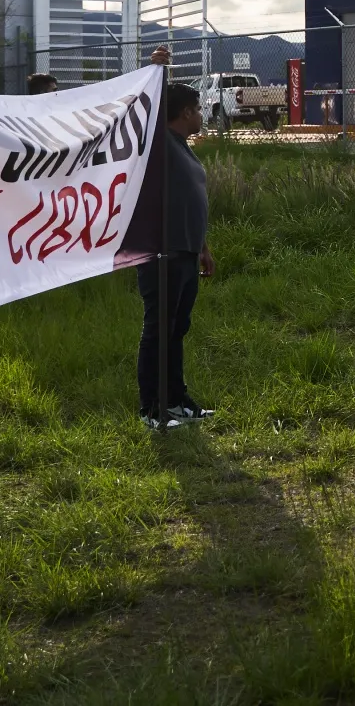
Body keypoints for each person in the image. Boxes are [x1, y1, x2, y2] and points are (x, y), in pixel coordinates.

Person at [123, 48, 215, 430]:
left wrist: (204, 249)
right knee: (159, 329)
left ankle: (176, 401)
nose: (201, 115)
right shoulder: (157, 143)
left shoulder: (182, 149)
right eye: (196, 108)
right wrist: (156, 70)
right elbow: (144, 110)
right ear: (183, 113)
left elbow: (188, 202)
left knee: (177, 328)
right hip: (161, 253)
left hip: (186, 250)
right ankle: (151, 408)